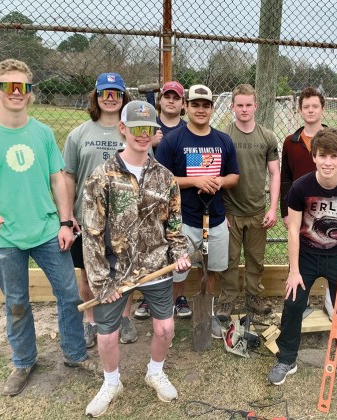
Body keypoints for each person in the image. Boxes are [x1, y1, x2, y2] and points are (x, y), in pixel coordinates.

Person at [0, 59, 93, 397]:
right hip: (5, 236)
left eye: (24, 87)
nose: (17, 93)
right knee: (16, 302)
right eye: (9, 86)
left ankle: (75, 355)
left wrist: (64, 220)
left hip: (46, 229)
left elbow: (57, 178)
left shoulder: (42, 132)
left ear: (30, 93)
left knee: (69, 295)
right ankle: (24, 361)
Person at [82, 100, 192, 416]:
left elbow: (173, 224)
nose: (142, 135)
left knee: (165, 329)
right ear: (123, 129)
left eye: (148, 129)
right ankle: (111, 382)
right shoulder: (101, 177)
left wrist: (180, 254)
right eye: (136, 129)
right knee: (107, 335)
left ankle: (155, 372)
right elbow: (91, 235)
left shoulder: (166, 177)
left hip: (157, 267)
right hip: (114, 273)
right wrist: (102, 283)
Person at [267, 128, 337, 395]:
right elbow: (292, 229)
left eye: (334, 156)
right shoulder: (301, 187)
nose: (328, 162)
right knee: (293, 303)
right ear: (314, 157)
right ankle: (287, 358)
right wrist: (294, 271)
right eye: (323, 155)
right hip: (307, 253)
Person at [156, 84, 240, 337]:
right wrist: (195, 181)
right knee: (178, 269)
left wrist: (220, 182)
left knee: (212, 268)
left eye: (206, 105)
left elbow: (234, 175)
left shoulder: (223, 140)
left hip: (214, 218)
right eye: (195, 105)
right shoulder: (173, 140)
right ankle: (168, 314)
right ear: (186, 107)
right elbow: (161, 180)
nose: (200, 110)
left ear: (213, 108)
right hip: (183, 219)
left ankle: (208, 311)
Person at [62, 72, 137, 348]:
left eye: (115, 92)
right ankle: (91, 321)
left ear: (123, 97)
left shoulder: (132, 130)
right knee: (88, 271)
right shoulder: (79, 134)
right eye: (104, 92)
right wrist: (68, 213)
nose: (109, 97)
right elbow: (68, 175)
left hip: (124, 216)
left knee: (125, 270)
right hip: (87, 217)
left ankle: (124, 318)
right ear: (96, 96)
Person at [216, 84, 280, 321]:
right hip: (230, 210)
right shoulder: (223, 136)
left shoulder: (267, 136)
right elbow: (217, 175)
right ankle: (227, 300)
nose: (244, 109)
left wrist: (273, 208)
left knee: (256, 258)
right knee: (229, 259)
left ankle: (253, 297)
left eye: (248, 105)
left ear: (256, 106)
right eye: (239, 105)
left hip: (256, 210)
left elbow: (274, 173)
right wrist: (219, 211)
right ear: (232, 106)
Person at [280, 87, 334, 319]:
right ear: (300, 110)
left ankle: (331, 302)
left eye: (315, 106)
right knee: (300, 255)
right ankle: (300, 303)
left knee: (333, 257)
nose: (310, 110)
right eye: (306, 106)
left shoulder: (333, 139)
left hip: (329, 210)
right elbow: (285, 178)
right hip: (300, 211)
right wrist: (285, 212)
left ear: (322, 108)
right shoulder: (291, 142)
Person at [136, 80, 187, 319]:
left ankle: (179, 296)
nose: (170, 100)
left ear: (182, 103)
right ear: (159, 100)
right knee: (152, 247)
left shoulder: (188, 129)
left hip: (178, 201)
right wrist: (151, 143)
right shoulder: (148, 127)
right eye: (167, 96)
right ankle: (149, 298)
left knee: (177, 247)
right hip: (149, 199)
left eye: (176, 97)